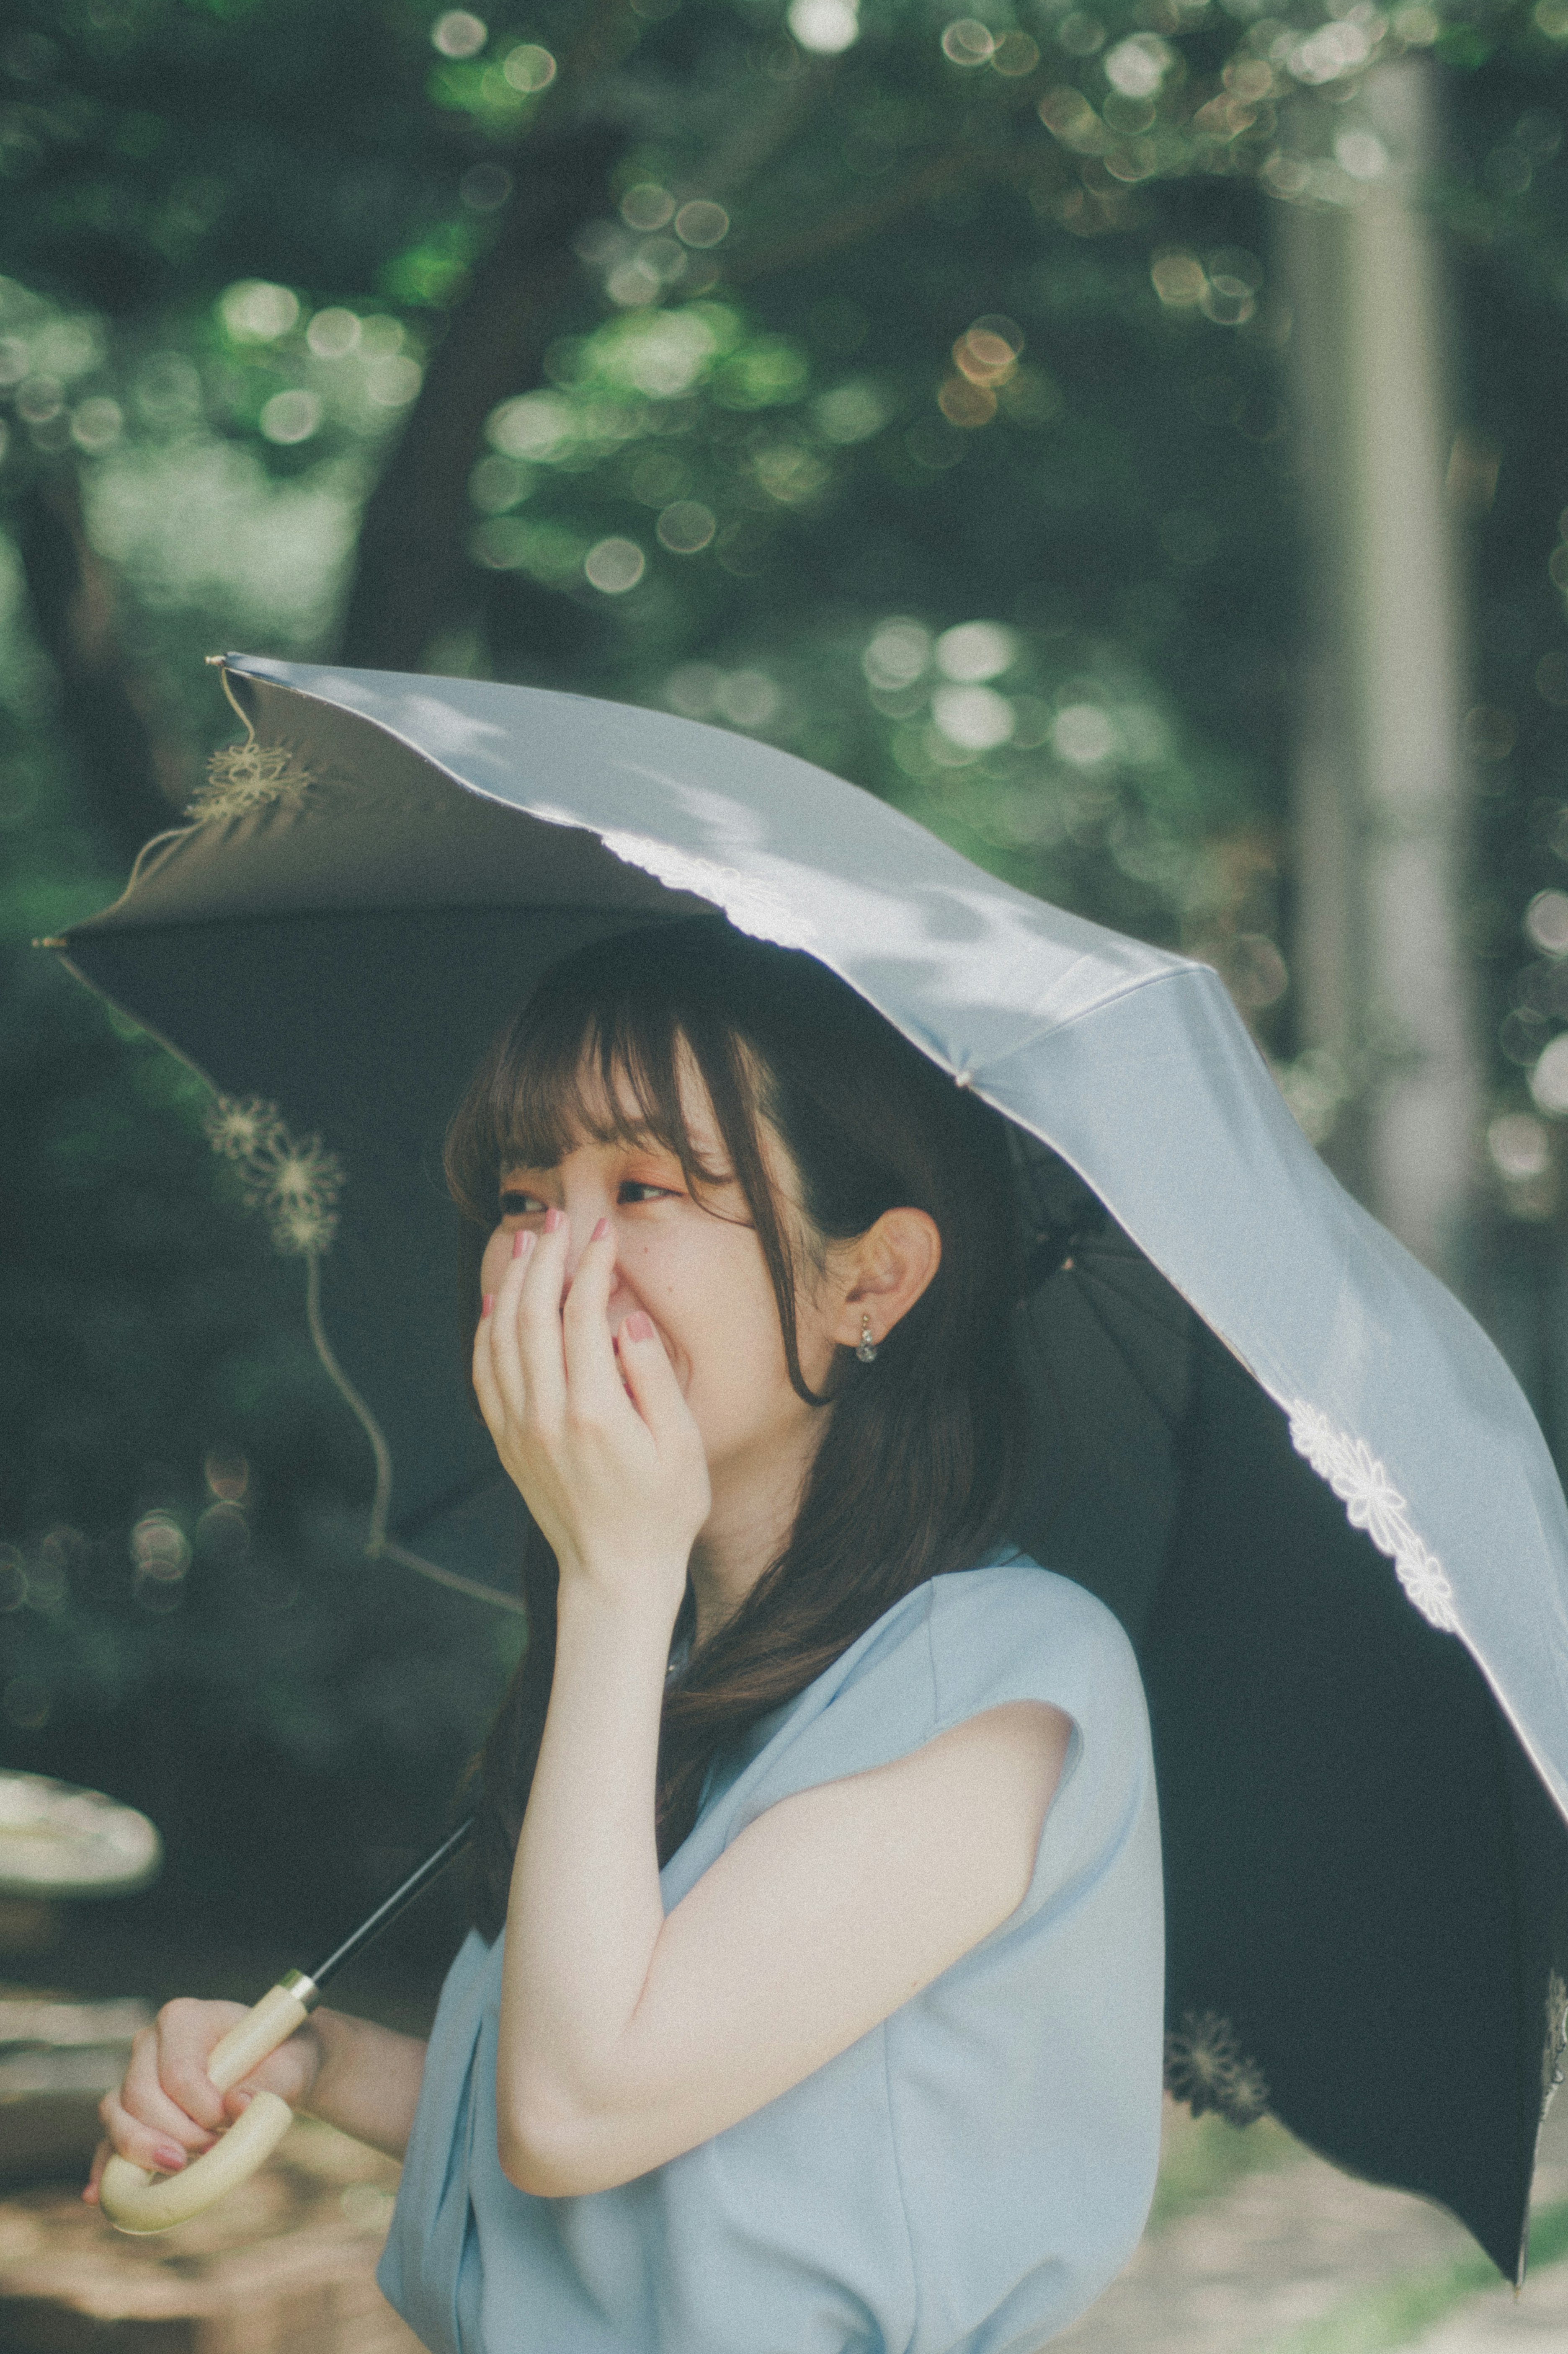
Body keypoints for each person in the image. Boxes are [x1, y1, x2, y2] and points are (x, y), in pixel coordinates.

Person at [90, 924, 1164, 2354]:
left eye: (645, 1185)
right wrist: (310, 2064)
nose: (555, 1254)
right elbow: (656, 2173)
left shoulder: (1011, 1679)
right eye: (523, 1194)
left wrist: (615, 1576)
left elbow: (580, 2114)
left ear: (871, 1282)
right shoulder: (667, 1661)